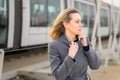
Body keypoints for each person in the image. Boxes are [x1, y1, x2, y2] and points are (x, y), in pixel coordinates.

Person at [48, 8, 101, 80]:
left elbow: (96, 65)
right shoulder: (54, 45)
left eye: (81, 21)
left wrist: (86, 48)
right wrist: (70, 57)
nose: (81, 25)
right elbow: (58, 76)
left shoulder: (84, 41)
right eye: (77, 22)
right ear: (66, 24)